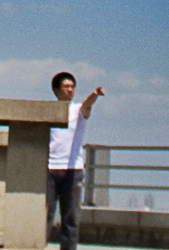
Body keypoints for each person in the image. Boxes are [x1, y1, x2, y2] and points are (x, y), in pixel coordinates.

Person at [48, 71, 104, 250]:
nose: (70, 90)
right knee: (45, 215)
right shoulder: (47, 111)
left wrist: (94, 96)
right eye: (66, 86)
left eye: (72, 87)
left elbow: (87, 106)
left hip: (73, 170)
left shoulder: (78, 110)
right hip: (50, 169)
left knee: (70, 217)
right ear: (56, 90)